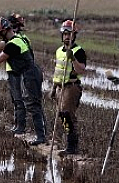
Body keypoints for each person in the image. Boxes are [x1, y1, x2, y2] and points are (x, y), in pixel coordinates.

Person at [0, 17, 46, 145]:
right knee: (30, 103)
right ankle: (41, 135)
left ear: (5, 31)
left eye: (0, 34)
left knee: (33, 105)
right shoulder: (12, 40)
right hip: (27, 73)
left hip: (30, 74)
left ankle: (41, 136)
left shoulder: (14, 44)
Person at [50, 19, 86, 156]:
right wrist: (53, 89)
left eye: (69, 34)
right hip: (60, 87)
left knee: (68, 115)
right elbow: (57, 71)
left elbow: (81, 70)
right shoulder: (59, 51)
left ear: (74, 35)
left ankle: (72, 147)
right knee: (62, 115)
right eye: (64, 34)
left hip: (71, 87)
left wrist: (73, 58)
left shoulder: (78, 51)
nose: (66, 36)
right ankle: (69, 145)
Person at [0, 13, 33, 135]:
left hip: (19, 72)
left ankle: (21, 126)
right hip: (11, 71)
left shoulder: (20, 39)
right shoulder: (10, 39)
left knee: (20, 99)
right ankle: (18, 124)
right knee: (15, 99)